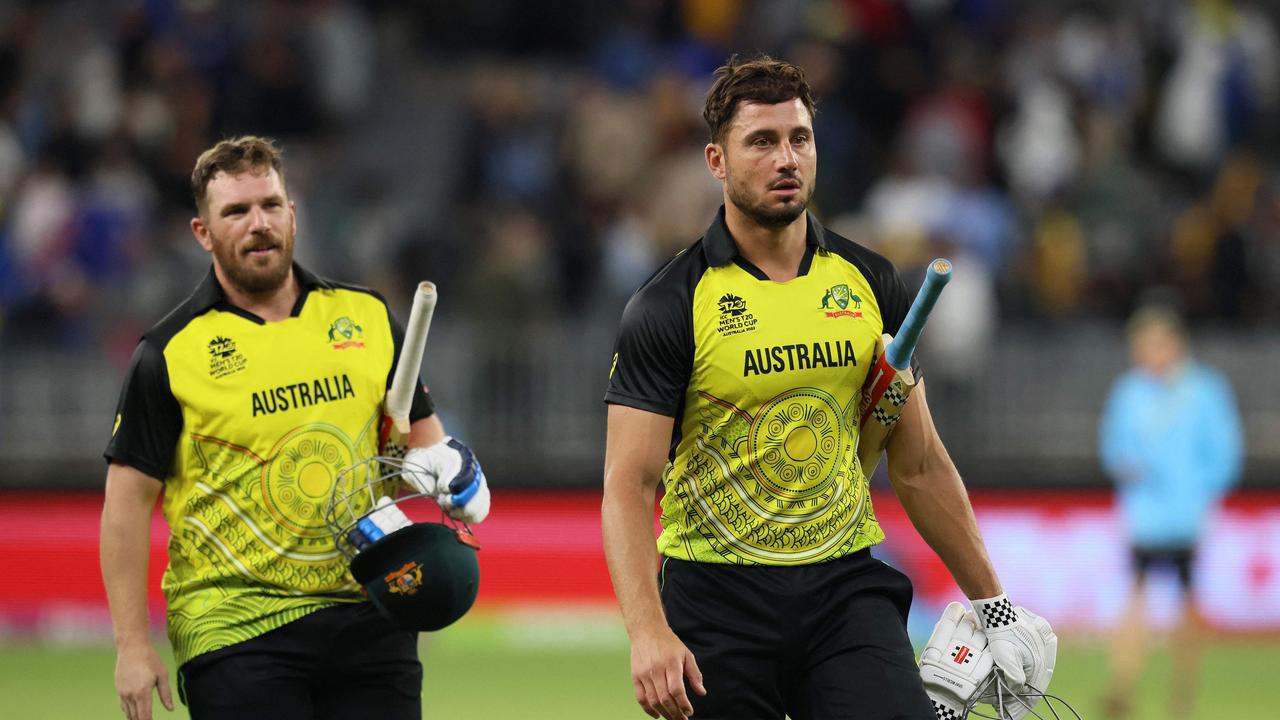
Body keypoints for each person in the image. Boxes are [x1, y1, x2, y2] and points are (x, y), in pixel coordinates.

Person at [601, 56, 1055, 720]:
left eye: (799, 138)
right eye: (761, 141)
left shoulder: (872, 282)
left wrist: (995, 604)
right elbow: (628, 484)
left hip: (844, 590)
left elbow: (920, 462)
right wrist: (647, 632)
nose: (786, 158)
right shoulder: (668, 305)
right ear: (716, 161)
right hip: (716, 603)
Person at [99, 136, 490, 720]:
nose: (258, 224)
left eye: (270, 205)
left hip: (370, 610)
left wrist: (454, 476)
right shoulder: (168, 353)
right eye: (236, 212)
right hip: (234, 625)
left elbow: (421, 446)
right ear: (203, 233)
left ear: (293, 215)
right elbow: (126, 506)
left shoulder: (367, 317)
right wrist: (132, 646)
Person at [1099, 304, 1243, 720]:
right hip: (1143, 517)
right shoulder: (1130, 391)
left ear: (1172, 344)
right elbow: (1113, 446)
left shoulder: (1205, 391)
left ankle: (1182, 694)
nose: (1144, 355)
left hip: (1185, 518)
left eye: (1150, 345)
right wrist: (1127, 466)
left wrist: (1198, 491)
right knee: (1136, 598)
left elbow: (1224, 453)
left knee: (1187, 603)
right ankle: (1122, 686)